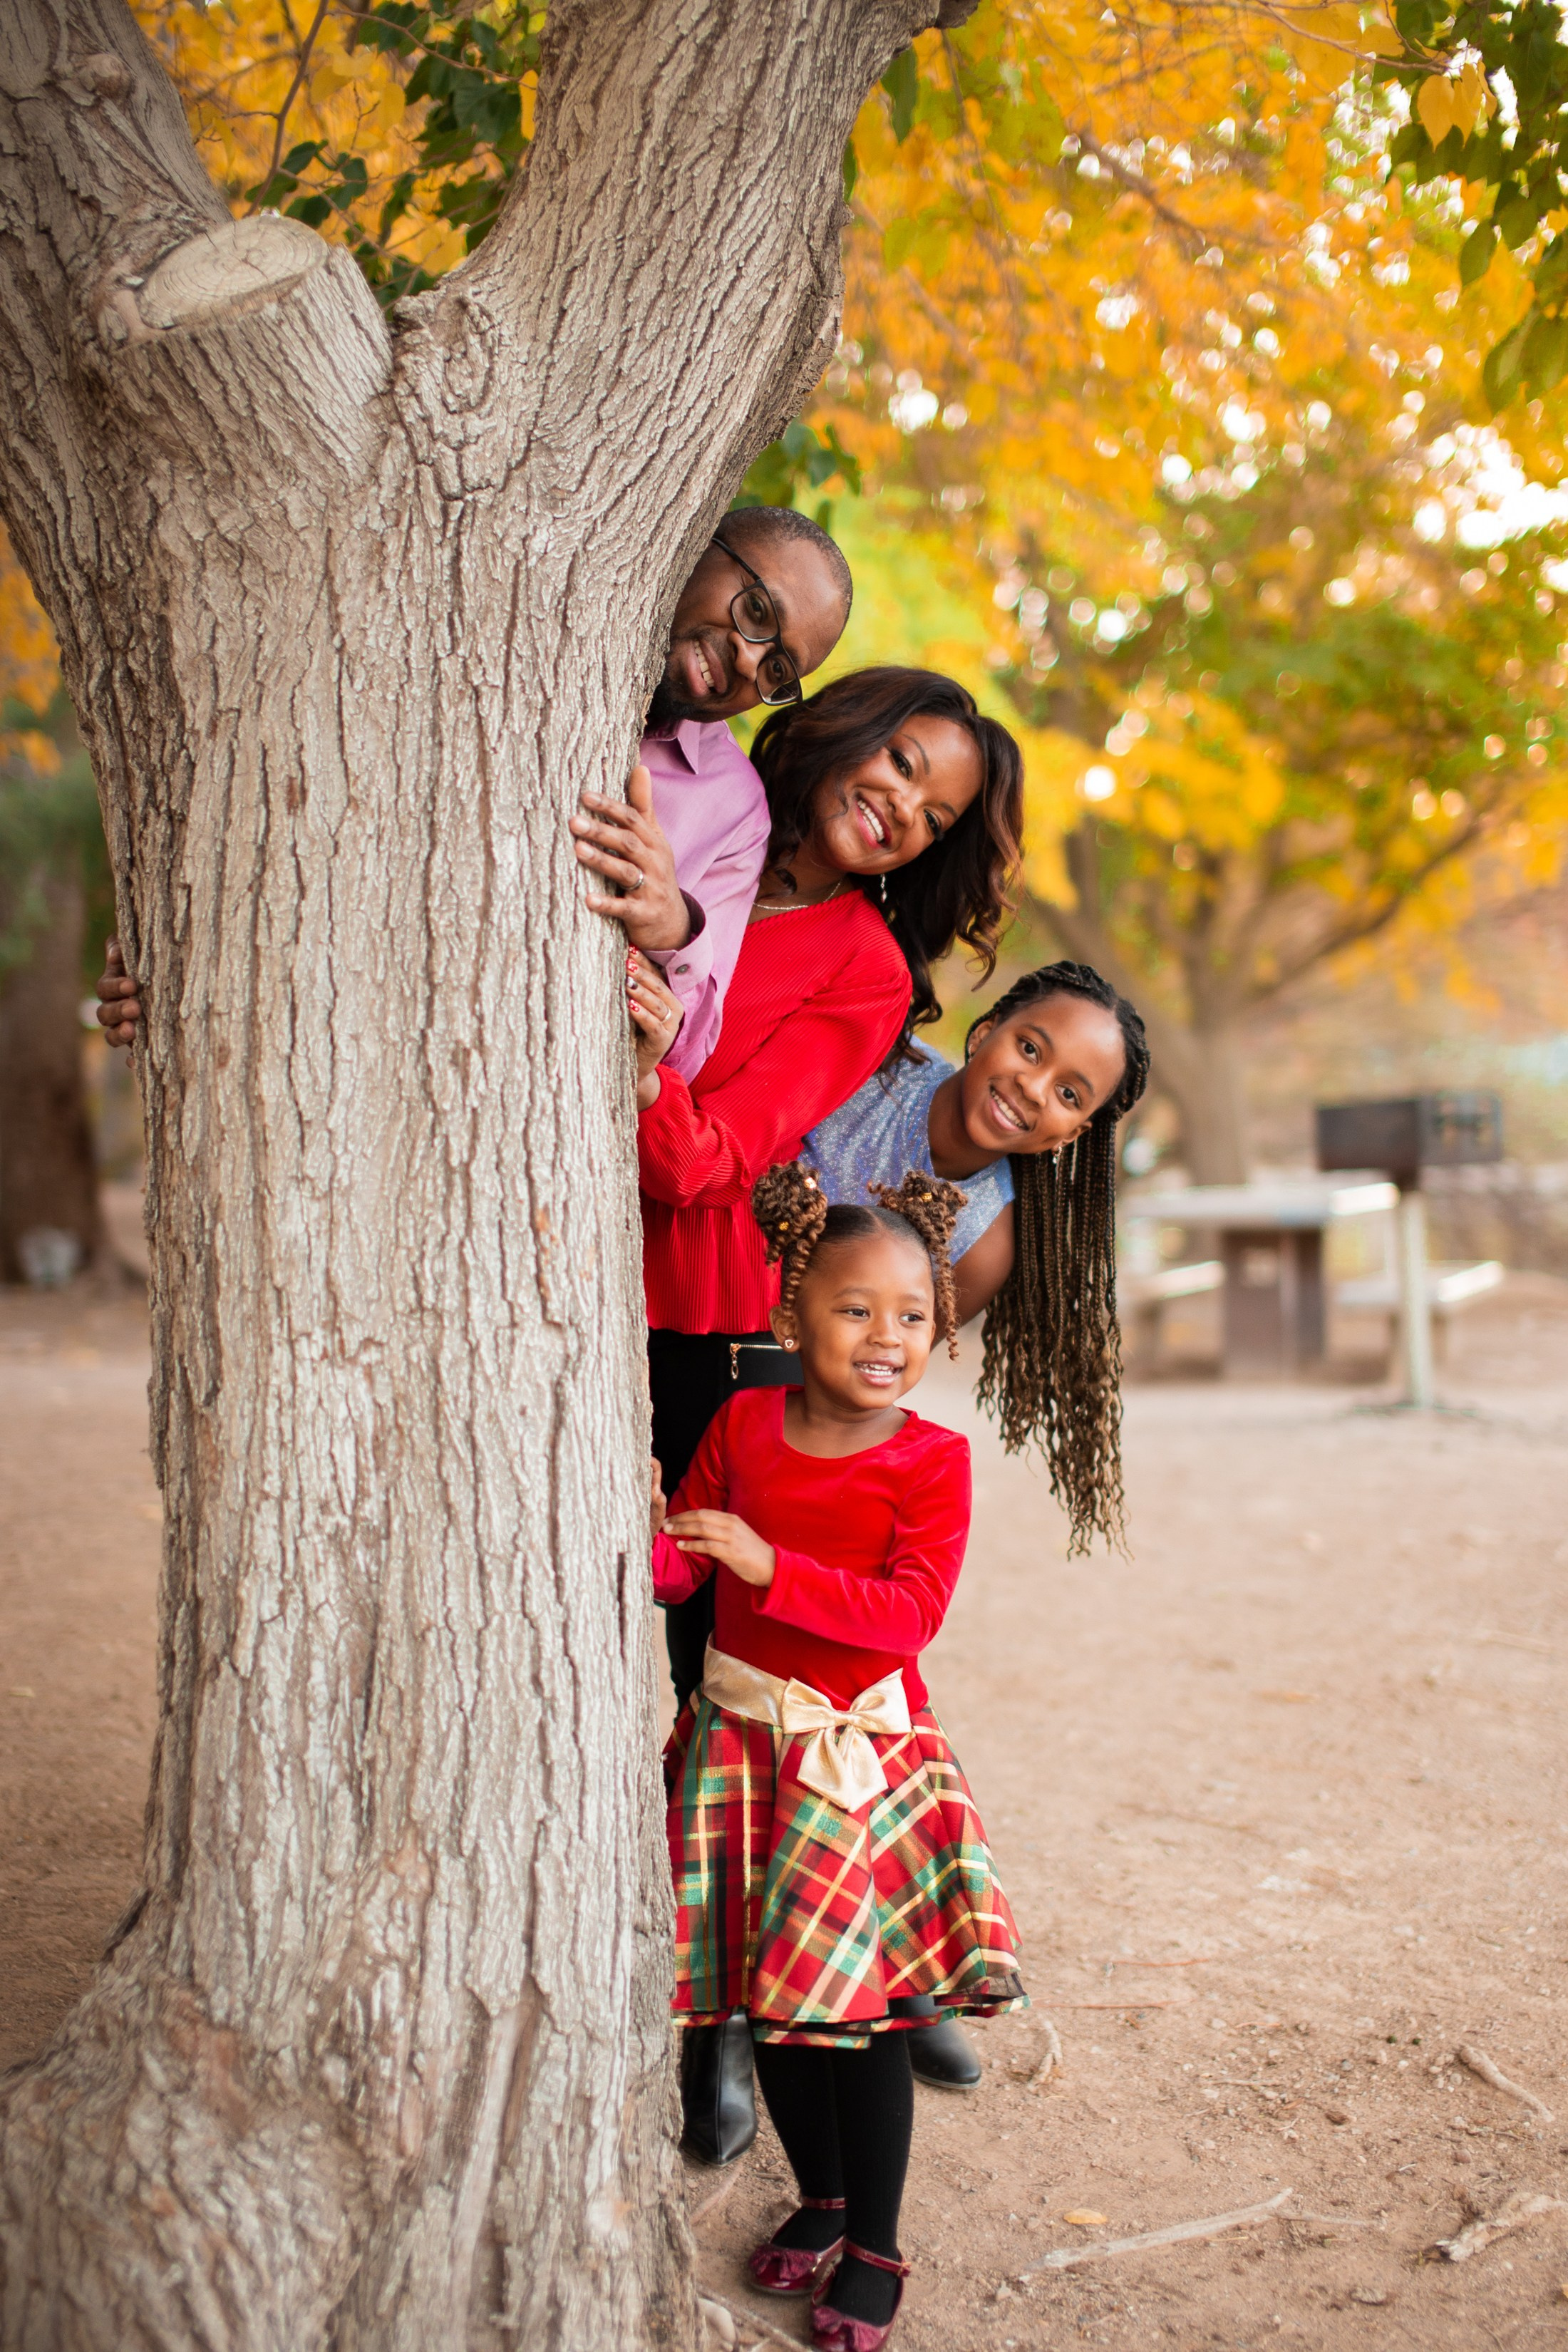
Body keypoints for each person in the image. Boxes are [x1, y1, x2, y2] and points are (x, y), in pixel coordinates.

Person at [651, 1164, 1025, 2349]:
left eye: (911, 1315)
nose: (885, 1337)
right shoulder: (741, 1426)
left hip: (855, 1765)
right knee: (775, 2002)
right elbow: (686, 1570)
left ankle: (876, 2241)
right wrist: (635, 1527)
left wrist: (772, 1566)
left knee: (859, 2015)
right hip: (741, 1750)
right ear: (791, 1312)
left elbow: (907, 1617)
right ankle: (820, 2197)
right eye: (855, 1309)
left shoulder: (931, 1460)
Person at [94, 505, 855, 1068]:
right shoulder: (500, 623)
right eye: (757, 611)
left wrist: (671, 927)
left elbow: (690, 1053)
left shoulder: (734, 811)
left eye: (779, 668)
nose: (749, 659)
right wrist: (181, 952)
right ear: (698, 543)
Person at [801, 960, 1151, 1552]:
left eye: (1068, 1094)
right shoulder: (876, 1061)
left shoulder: (983, 1247)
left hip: (767, 1386)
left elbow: (860, 1377)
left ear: (1072, 1133)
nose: (1034, 1087)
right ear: (987, 1030)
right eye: (1030, 1049)